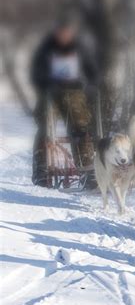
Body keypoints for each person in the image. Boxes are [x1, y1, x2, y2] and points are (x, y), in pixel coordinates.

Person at [30, 13, 98, 188]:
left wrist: (92, 83)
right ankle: (41, 170)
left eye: (68, 33)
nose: (64, 36)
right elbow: (36, 73)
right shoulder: (46, 48)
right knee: (45, 126)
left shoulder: (79, 47)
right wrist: (45, 83)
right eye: (61, 32)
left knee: (81, 127)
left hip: (73, 91)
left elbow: (91, 70)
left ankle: (87, 170)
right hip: (50, 92)